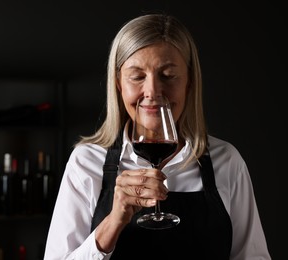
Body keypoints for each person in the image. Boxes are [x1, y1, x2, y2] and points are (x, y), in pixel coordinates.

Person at [44, 13, 271, 260]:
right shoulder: (87, 161)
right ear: (119, 83)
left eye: (168, 75)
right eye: (137, 76)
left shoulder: (226, 161)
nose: (152, 92)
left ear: (190, 82)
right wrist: (113, 223)